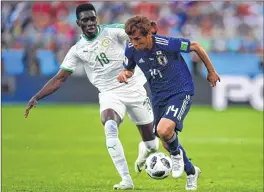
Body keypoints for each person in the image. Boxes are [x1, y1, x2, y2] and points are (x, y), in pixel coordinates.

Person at [24, 4, 159, 190]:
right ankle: (126, 179)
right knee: (110, 126)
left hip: (134, 88)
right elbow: (60, 78)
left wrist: (154, 36)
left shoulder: (112, 32)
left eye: (93, 19)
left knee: (152, 145)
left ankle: (144, 152)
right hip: (109, 94)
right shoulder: (77, 50)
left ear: (97, 18)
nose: (90, 23)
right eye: (85, 20)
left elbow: (137, 33)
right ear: (78, 22)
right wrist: (37, 97)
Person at [117, 16, 220, 191]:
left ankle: (176, 155)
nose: (134, 43)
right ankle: (191, 171)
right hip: (158, 97)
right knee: (165, 138)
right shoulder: (131, 49)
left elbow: (196, 46)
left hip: (180, 91)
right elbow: (129, 68)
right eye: (131, 39)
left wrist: (211, 71)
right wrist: (125, 74)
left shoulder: (165, 43)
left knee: (164, 130)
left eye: (137, 39)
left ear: (149, 34)